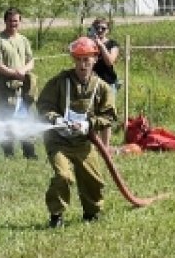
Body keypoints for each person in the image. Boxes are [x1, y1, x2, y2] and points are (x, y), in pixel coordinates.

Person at [36, 36, 118, 228]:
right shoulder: (60, 82)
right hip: (58, 141)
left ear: (95, 59)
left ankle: (92, 213)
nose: (82, 65)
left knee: (94, 180)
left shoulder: (102, 87)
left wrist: (89, 125)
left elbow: (109, 116)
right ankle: (56, 216)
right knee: (63, 176)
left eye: (86, 59)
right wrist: (56, 119)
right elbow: (44, 105)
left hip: (83, 142)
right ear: (74, 60)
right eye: (79, 59)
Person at [0, 7, 38, 159]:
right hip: (6, 89)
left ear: (20, 22)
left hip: (23, 89)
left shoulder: (23, 40)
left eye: (16, 21)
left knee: (25, 117)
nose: (13, 24)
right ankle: (8, 153)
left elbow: (31, 61)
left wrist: (24, 70)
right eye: (10, 21)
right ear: (5, 21)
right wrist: (14, 73)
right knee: (8, 119)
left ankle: (29, 153)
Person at [88, 17, 120, 146]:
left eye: (103, 28)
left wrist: (101, 46)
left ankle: (105, 146)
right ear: (93, 29)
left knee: (106, 114)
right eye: (97, 28)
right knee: (91, 113)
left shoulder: (112, 44)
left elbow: (110, 61)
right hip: (91, 82)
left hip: (108, 82)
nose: (100, 30)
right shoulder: (89, 43)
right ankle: (93, 143)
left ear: (108, 30)